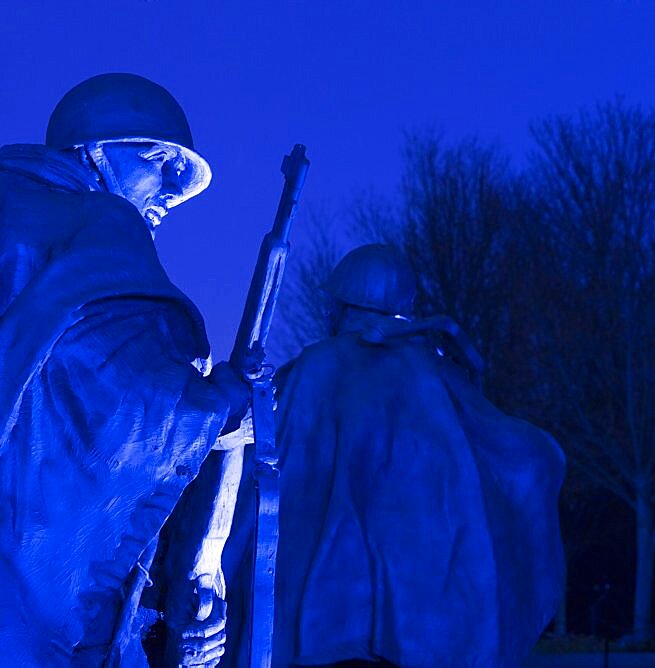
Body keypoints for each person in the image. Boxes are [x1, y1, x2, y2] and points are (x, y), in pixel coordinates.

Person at [0, 73, 249, 666]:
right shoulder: (103, 225)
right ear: (94, 151)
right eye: (160, 159)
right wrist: (218, 408)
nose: (171, 187)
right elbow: (121, 397)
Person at [223, 244, 566, 667]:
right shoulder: (434, 369)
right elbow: (509, 446)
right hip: (422, 607)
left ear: (346, 301)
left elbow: (276, 464)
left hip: (329, 606)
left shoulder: (321, 366)